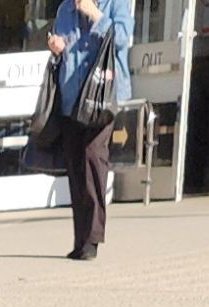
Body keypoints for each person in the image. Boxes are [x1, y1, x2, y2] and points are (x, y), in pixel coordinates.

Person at [48, 0, 133, 261]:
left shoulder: (115, 4)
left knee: (92, 156)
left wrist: (96, 15)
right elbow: (66, 47)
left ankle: (93, 237)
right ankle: (81, 238)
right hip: (72, 96)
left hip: (102, 96)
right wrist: (57, 48)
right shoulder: (65, 9)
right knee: (75, 166)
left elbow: (122, 39)